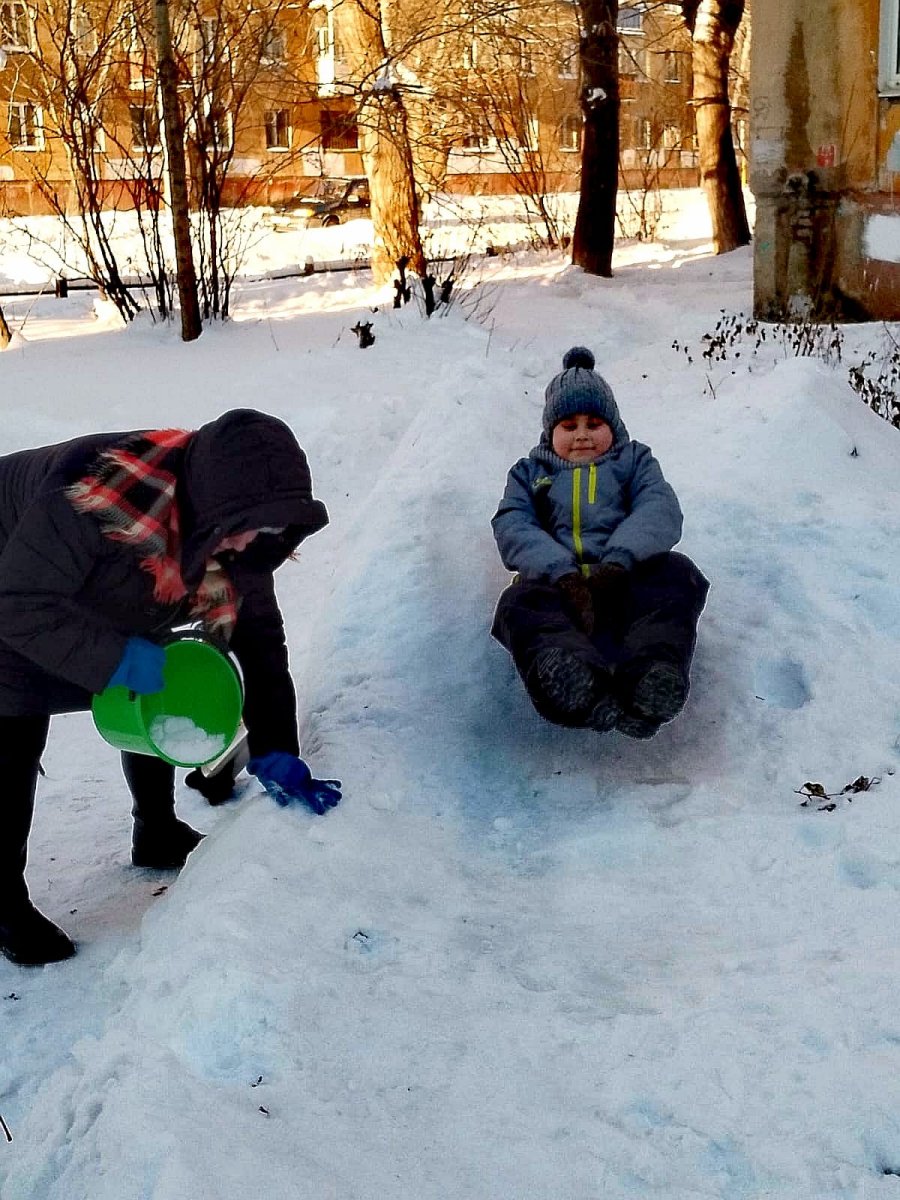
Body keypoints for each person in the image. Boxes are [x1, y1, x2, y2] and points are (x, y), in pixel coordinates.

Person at [0, 409, 340, 967]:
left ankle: (154, 830)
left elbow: (261, 643)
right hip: (11, 587)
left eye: (273, 528)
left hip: (78, 586)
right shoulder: (94, 493)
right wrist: (114, 659)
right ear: (210, 505)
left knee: (165, 679)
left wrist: (279, 747)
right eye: (248, 526)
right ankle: (5, 903)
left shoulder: (238, 529)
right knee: (10, 733)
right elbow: (16, 604)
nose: (255, 541)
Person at [491, 346, 709, 738]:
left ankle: (650, 679)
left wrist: (620, 561)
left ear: (613, 424)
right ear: (550, 431)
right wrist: (560, 574)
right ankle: (575, 685)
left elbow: (659, 508)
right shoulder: (530, 473)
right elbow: (513, 524)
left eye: (594, 423)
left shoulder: (633, 461)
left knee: (678, 575)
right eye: (568, 425)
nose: (582, 436)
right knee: (518, 605)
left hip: (627, 582)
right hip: (559, 590)